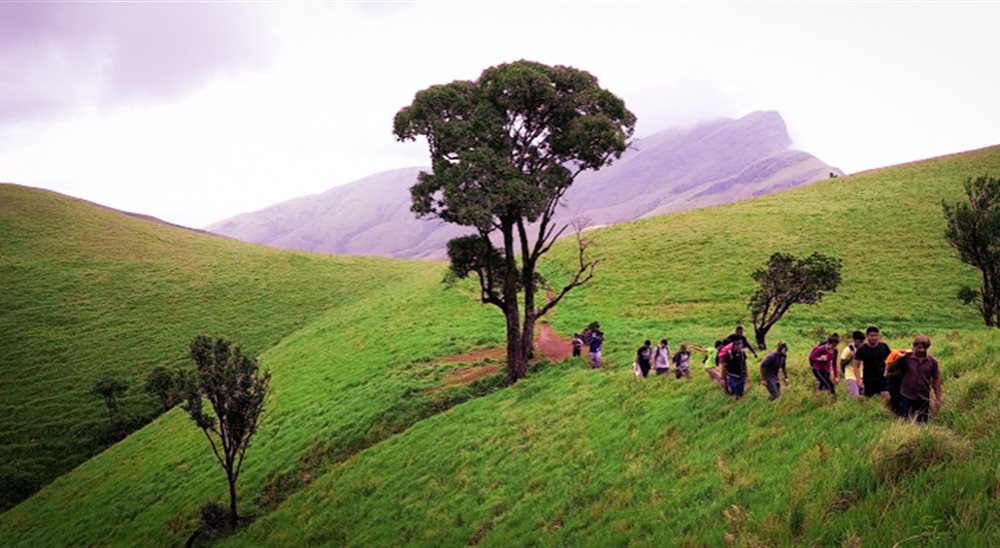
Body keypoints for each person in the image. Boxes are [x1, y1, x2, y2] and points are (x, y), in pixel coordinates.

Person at [888, 335, 943, 423]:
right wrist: (899, 359)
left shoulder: (932, 362)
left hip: (923, 396)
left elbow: (936, 379)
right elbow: (890, 370)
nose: (921, 350)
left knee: (922, 423)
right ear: (914, 346)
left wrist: (938, 398)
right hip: (906, 395)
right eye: (919, 347)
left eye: (924, 347)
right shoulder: (906, 358)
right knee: (905, 422)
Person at [853, 325, 891, 400]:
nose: (874, 338)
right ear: (867, 336)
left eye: (876, 335)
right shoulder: (862, 349)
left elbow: (890, 360)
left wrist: (888, 372)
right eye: (871, 336)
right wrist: (858, 380)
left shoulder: (884, 347)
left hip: (882, 378)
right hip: (868, 379)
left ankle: (885, 411)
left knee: (886, 397)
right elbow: (856, 365)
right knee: (869, 400)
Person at [840, 331, 865, 397]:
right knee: (855, 396)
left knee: (865, 397)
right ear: (854, 340)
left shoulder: (864, 349)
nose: (861, 344)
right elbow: (842, 364)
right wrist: (850, 357)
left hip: (861, 376)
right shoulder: (848, 350)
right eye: (859, 342)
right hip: (850, 376)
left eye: (862, 341)